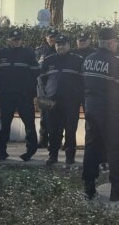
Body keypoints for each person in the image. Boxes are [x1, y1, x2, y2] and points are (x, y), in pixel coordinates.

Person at [82, 27, 119, 201]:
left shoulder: (88, 60)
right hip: (109, 112)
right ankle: (116, 189)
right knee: (114, 149)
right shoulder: (116, 62)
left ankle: (88, 186)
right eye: (116, 42)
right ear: (111, 43)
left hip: (91, 109)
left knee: (91, 147)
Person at [0, 28, 40, 162]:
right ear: (9, 40)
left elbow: (36, 72)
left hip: (24, 95)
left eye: (19, 39)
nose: (17, 41)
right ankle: (1, 152)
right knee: (5, 124)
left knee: (29, 124)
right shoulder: (0, 53)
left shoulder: (28, 53)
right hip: (7, 95)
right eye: (14, 39)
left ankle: (30, 151)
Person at [39, 34, 84, 165]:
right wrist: (44, 96)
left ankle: (70, 157)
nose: (61, 47)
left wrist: (79, 97)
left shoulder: (77, 60)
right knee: (53, 131)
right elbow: (42, 80)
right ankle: (53, 156)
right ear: (55, 45)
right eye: (58, 44)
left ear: (69, 45)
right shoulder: (48, 60)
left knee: (70, 130)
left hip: (71, 102)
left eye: (63, 44)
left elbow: (83, 81)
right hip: (52, 102)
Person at [35, 28, 58, 149]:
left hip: (55, 88)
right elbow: (36, 69)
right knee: (44, 116)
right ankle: (43, 140)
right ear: (46, 38)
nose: (52, 39)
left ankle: (57, 141)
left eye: (54, 36)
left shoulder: (60, 49)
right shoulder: (40, 51)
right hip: (42, 87)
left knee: (57, 116)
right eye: (50, 37)